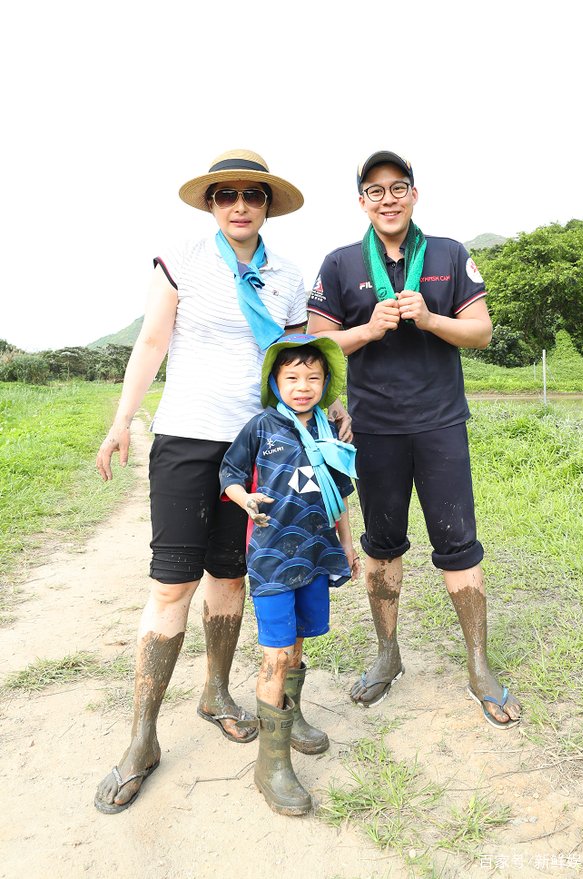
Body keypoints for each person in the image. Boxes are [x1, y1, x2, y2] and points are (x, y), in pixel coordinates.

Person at [94, 149, 351, 814]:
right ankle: (142, 738)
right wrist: (124, 421)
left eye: (253, 195)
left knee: (235, 576)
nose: (240, 204)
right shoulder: (183, 258)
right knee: (173, 582)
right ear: (211, 204)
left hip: (262, 447)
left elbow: (294, 363)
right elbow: (152, 342)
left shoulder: (289, 275)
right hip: (185, 437)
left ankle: (218, 692)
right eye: (226, 194)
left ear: (268, 205)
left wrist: (325, 413)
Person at [306, 150, 521, 728]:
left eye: (397, 187)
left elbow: (480, 331)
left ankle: (479, 666)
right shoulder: (340, 263)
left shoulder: (449, 254)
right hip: (373, 428)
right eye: (374, 191)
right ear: (362, 202)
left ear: (414, 194)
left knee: (459, 544)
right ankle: (387, 654)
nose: (388, 198)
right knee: (381, 546)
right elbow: (318, 349)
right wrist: (369, 329)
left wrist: (429, 320)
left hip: (441, 423)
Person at [219, 334, 361, 815]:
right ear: (275, 382)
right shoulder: (261, 427)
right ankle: (271, 765)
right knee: (275, 657)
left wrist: (346, 543)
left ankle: (293, 716)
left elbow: (337, 494)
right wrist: (245, 500)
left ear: (326, 383)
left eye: (313, 378)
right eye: (292, 378)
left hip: (316, 557)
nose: (303, 387)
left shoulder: (331, 431)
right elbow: (229, 474)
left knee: (299, 643)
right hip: (273, 561)